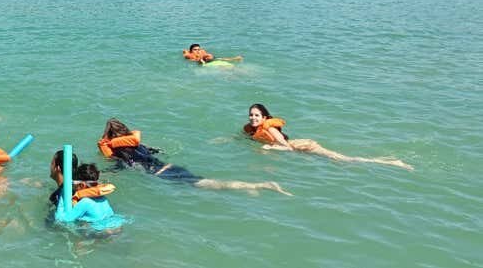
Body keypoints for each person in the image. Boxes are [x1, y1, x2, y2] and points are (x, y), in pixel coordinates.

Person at [99, 118, 290, 195]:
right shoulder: (138, 144)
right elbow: (153, 152)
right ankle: (247, 188)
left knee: (208, 184)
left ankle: (256, 186)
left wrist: (107, 173)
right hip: (170, 166)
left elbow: (122, 166)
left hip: (162, 174)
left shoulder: (119, 151)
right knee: (204, 182)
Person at [244, 103, 413, 170]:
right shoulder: (251, 129)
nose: (253, 118)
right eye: (251, 115)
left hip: (303, 146)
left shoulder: (270, 129)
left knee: (345, 160)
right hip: (301, 150)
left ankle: (392, 162)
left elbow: (287, 147)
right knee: (339, 161)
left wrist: (269, 148)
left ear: (265, 118)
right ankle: (386, 160)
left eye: (257, 115)